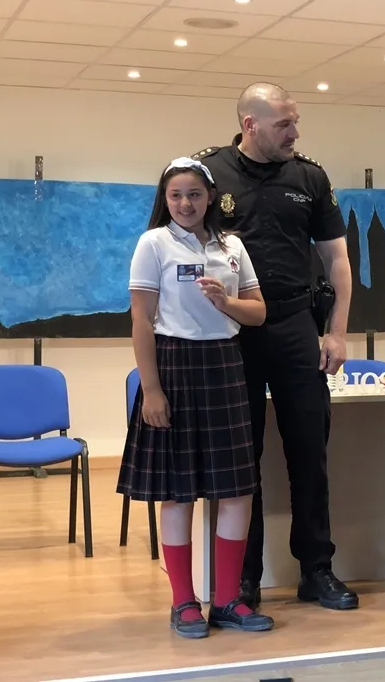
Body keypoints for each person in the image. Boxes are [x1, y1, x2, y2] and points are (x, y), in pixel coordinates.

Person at [193, 82, 357, 611]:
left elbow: (337, 260)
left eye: (295, 122)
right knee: (241, 459)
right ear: (251, 124)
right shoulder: (208, 173)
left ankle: (316, 569)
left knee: (309, 452)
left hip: (294, 324)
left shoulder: (309, 177)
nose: (295, 133)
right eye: (285, 124)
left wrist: (336, 331)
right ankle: (244, 579)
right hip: (231, 330)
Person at [118, 156, 274, 638]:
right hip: (173, 365)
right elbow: (141, 320)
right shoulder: (154, 243)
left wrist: (227, 302)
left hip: (225, 364)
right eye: (175, 195)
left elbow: (258, 312)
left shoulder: (232, 246)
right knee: (178, 491)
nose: (185, 203)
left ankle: (227, 600)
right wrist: (151, 390)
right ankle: (183, 601)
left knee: (236, 490)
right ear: (165, 200)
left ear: (210, 198)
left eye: (194, 194)